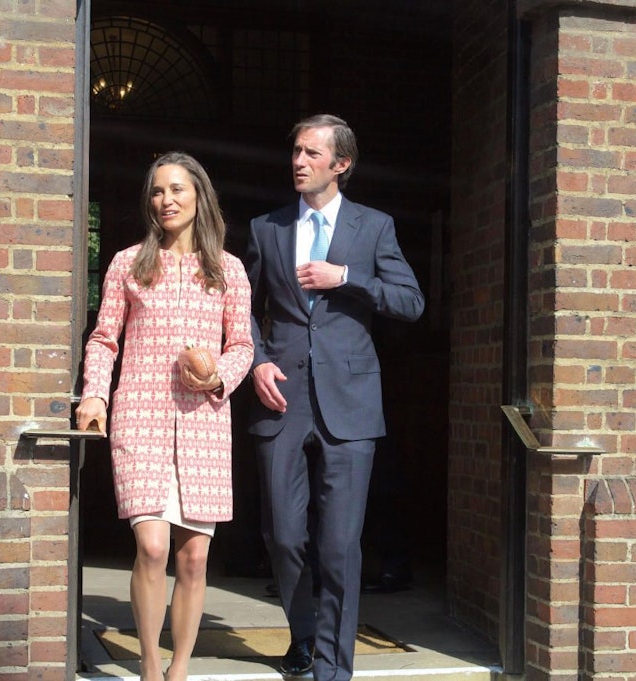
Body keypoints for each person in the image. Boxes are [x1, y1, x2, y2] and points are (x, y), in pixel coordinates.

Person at [244, 114, 424, 680]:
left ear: (340, 164)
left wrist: (345, 276)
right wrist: (255, 360)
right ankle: (302, 634)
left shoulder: (374, 228)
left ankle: (331, 668)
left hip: (351, 402)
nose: (298, 161)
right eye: (294, 151)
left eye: (310, 154)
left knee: (341, 544)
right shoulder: (266, 229)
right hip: (282, 398)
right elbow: (237, 308)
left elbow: (411, 301)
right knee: (283, 534)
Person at [77, 151, 254, 681]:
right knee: (152, 547)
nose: (166, 200)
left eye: (177, 189)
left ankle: (180, 668)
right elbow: (105, 338)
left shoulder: (230, 269)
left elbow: (242, 344)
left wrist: (219, 374)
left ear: (199, 196)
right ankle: (150, 666)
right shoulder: (128, 264)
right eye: (157, 191)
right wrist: (95, 396)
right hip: (140, 416)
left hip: (203, 422)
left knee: (194, 559)